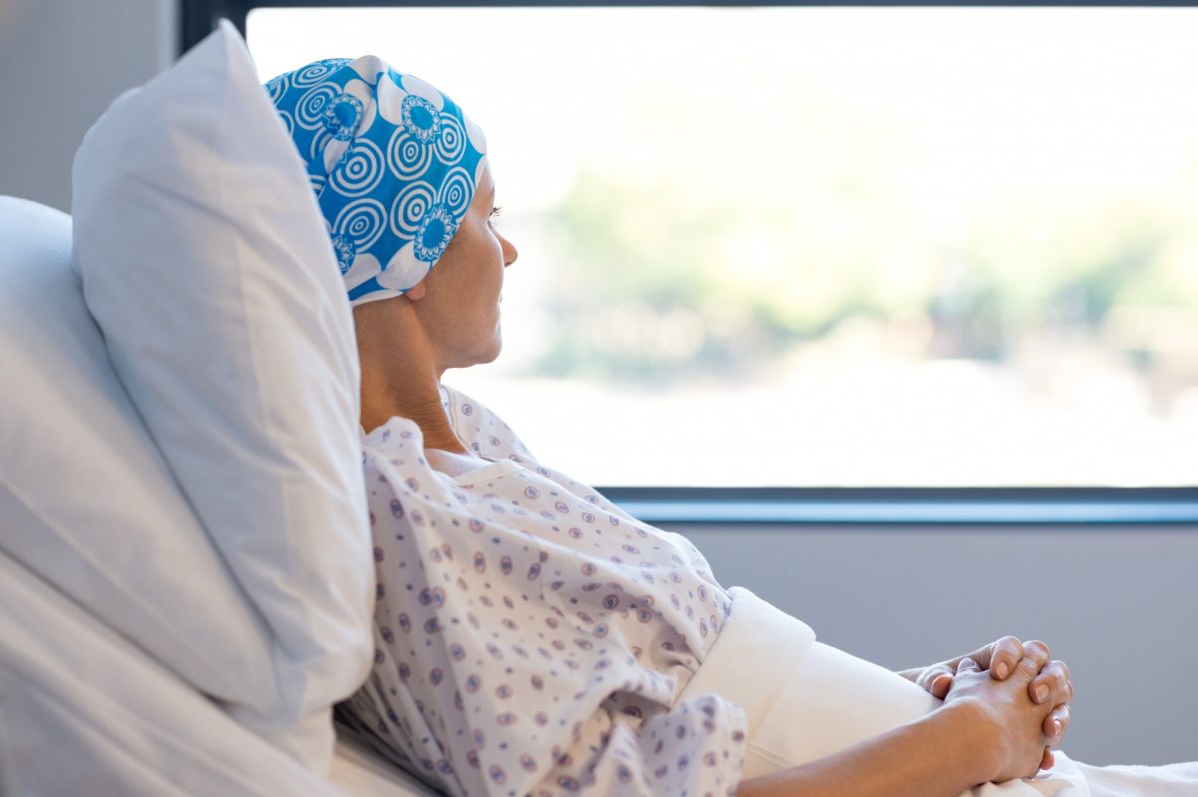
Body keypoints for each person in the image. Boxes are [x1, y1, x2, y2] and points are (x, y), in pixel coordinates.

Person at [266, 56, 1196, 797]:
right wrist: (974, 734)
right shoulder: (394, 507)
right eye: (484, 213)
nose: (507, 247)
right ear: (409, 251)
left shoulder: (469, 441)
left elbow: (687, 687)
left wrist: (931, 694)